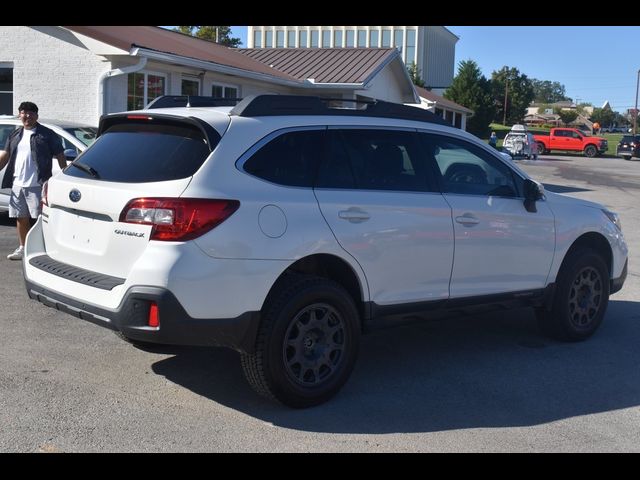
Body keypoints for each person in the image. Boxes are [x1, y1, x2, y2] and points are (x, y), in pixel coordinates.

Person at [0, 101, 66, 260]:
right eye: (23, 112)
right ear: (19, 115)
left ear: (36, 115)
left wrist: (64, 175)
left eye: (30, 113)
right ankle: (23, 248)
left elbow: (60, 154)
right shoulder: (15, 135)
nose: (27, 116)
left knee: (39, 219)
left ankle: (43, 250)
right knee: (20, 217)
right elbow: (6, 155)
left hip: (38, 184)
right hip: (18, 183)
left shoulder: (47, 134)